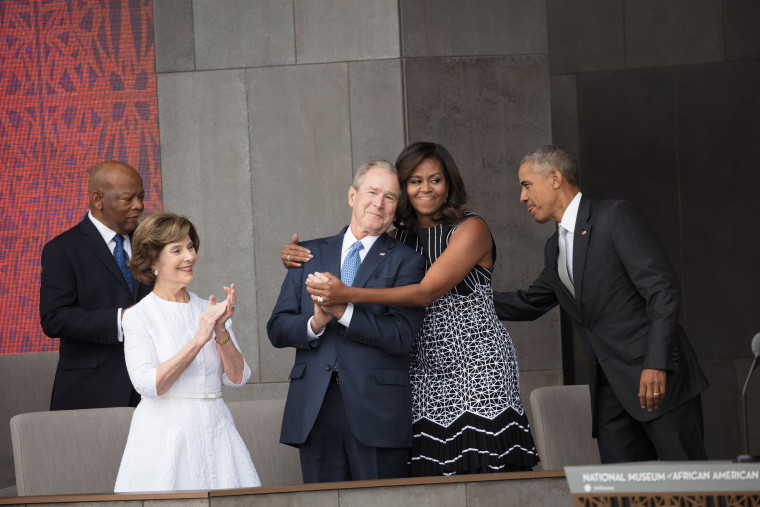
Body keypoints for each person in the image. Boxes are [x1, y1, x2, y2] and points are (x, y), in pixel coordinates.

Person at [285, 142, 539, 476]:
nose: (426, 189)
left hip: (475, 363)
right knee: (432, 472)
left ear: (449, 183)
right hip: (420, 365)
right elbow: (355, 252)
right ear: (403, 187)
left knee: (481, 467)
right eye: (415, 181)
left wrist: (347, 294)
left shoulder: (471, 227)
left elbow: (425, 292)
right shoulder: (397, 239)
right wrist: (297, 256)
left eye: (435, 180)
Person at [492, 145, 709, 463]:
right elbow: (528, 303)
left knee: (688, 487)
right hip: (609, 394)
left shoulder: (614, 216)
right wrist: (456, 297)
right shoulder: (554, 247)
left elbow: (662, 290)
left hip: (657, 381)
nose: (522, 198)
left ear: (555, 178)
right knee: (619, 493)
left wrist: (656, 363)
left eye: (526, 185)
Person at [267, 160, 426, 483]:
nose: (379, 203)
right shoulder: (307, 254)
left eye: (390, 197)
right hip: (315, 407)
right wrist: (315, 322)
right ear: (352, 195)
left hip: (377, 410)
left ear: (397, 208)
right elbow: (277, 327)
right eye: (372, 192)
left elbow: (401, 337)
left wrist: (343, 311)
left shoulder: (407, 261)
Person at [114, 213, 260, 492]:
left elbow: (238, 378)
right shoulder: (139, 316)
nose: (189, 256)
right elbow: (148, 384)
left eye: (190, 246)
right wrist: (198, 339)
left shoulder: (209, 309)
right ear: (153, 260)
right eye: (177, 250)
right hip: (165, 436)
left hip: (218, 430)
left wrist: (219, 330)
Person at [40, 160, 152, 410]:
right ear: (98, 199)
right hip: (90, 392)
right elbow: (54, 318)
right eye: (128, 199)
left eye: (141, 197)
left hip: (151, 391)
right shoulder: (62, 249)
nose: (139, 206)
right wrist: (120, 319)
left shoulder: (150, 244)